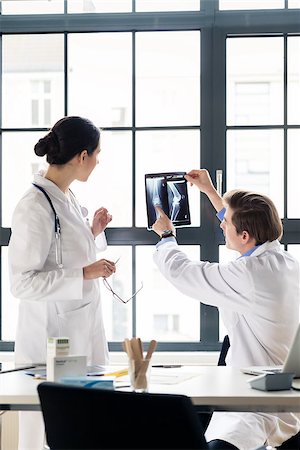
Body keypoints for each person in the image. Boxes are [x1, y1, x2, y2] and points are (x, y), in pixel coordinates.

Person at [152, 169, 300, 450]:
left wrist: (166, 237)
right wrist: (210, 192)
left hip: (256, 411)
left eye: (226, 222)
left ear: (244, 235)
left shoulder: (248, 274)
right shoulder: (285, 261)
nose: (221, 225)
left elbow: (184, 273)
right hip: (282, 397)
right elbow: (241, 225)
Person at [8, 116, 116, 450]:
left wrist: (92, 232)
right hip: (49, 342)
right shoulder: (34, 206)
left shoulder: (65, 197)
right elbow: (22, 283)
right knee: (50, 434)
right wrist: (84, 273)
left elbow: (61, 253)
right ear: (82, 156)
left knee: (86, 429)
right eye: (97, 155)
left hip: (79, 331)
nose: (97, 162)